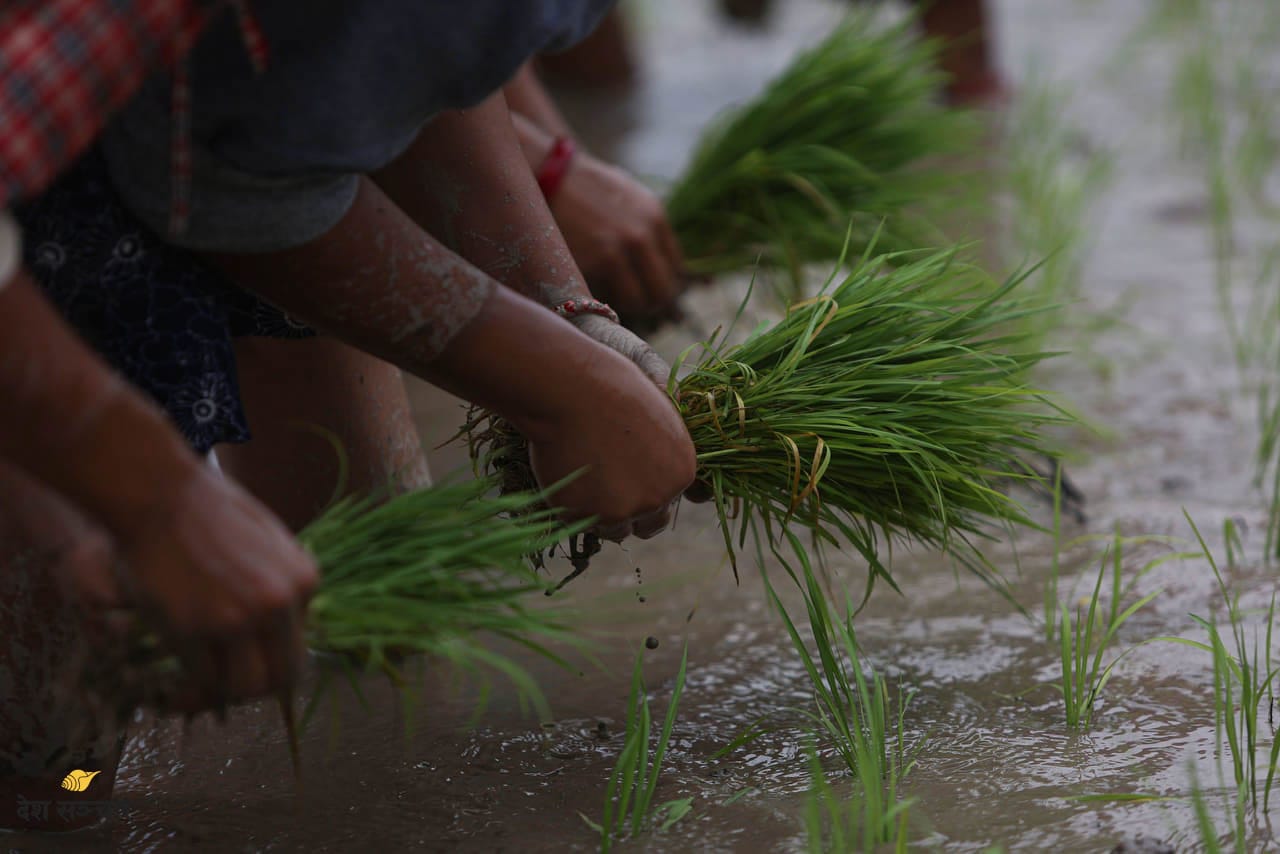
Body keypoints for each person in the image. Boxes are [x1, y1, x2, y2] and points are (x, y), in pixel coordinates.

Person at [3, 0, 699, 831]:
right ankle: (50, 798)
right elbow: (225, 182)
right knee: (58, 758)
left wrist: (563, 319)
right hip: (50, 194)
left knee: (389, 630)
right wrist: (159, 502)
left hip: (239, 117)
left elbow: (417, 57)